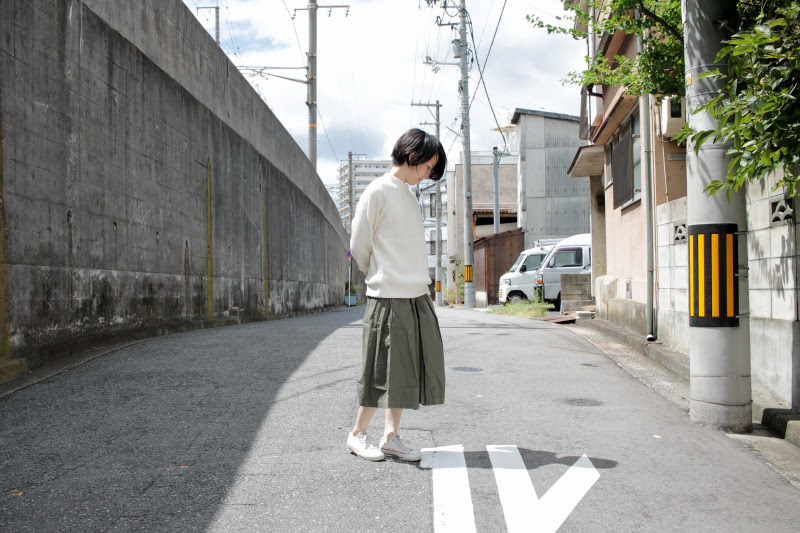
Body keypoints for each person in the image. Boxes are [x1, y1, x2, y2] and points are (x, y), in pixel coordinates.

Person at [346, 128, 447, 462]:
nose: (428, 174)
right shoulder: (377, 191)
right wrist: (378, 276)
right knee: (379, 369)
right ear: (412, 156)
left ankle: (391, 437)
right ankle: (357, 434)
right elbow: (359, 245)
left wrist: (424, 289)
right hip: (387, 295)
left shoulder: (409, 196)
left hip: (414, 295)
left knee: (402, 371)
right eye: (428, 166)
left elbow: (413, 250)